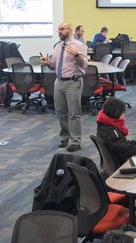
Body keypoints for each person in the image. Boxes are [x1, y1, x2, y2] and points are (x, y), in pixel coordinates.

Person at [40, 21, 88, 152]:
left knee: (74, 113)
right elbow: (54, 65)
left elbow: (84, 65)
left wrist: (76, 54)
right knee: (60, 112)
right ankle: (65, 137)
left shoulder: (79, 45)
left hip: (73, 82)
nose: (59, 31)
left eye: (62, 29)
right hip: (59, 82)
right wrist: (47, 62)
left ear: (70, 30)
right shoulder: (58, 46)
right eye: (58, 30)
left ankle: (75, 141)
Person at [96, 97, 136, 166]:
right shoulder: (110, 132)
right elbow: (128, 150)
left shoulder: (105, 125)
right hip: (121, 165)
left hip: (117, 161)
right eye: (122, 113)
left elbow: (122, 143)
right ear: (116, 113)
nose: (124, 115)